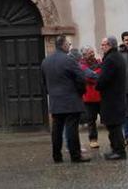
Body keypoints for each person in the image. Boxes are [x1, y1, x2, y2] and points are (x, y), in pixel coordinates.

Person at [41, 35, 91, 163]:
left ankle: (56, 156)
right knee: (71, 129)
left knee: (56, 130)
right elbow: (81, 78)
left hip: (55, 101)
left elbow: (43, 82)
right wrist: (80, 92)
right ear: (63, 45)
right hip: (71, 100)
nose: (69, 46)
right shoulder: (69, 60)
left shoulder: (46, 61)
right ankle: (75, 155)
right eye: (68, 44)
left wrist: (51, 93)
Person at [97, 36, 128, 160]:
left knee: (114, 126)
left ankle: (119, 151)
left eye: (103, 44)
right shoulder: (116, 56)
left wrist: (98, 85)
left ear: (110, 45)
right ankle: (115, 149)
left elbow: (104, 78)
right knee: (113, 126)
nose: (101, 47)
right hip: (116, 96)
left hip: (112, 98)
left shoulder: (111, 59)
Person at [79, 46, 102, 149]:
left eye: (92, 52)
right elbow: (87, 77)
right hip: (89, 98)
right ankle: (93, 140)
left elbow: (102, 74)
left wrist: (95, 74)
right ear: (84, 55)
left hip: (101, 96)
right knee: (91, 120)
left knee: (107, 118)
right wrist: (97, 74)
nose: (92, 54)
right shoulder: (81, 65)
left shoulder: (99, 62)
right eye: (89, 53)